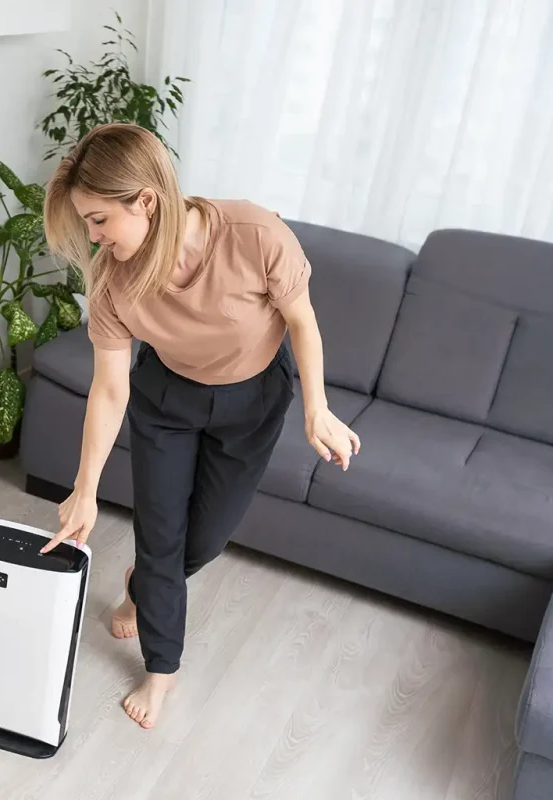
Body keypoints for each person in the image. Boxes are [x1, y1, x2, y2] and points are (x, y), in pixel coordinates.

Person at [39, 122, 360, 730]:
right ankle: (162, 672)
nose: (94, 237)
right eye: (86, 224)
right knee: (161, 536)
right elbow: (110, 387)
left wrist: (316, 408)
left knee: (201, 542)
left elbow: (302, 320)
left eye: (99, 220)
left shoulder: (254, 234)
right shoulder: (113, 279)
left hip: (253, 400)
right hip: (168, 401)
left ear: (146, 201)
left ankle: (141, 586)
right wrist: (84, 488)